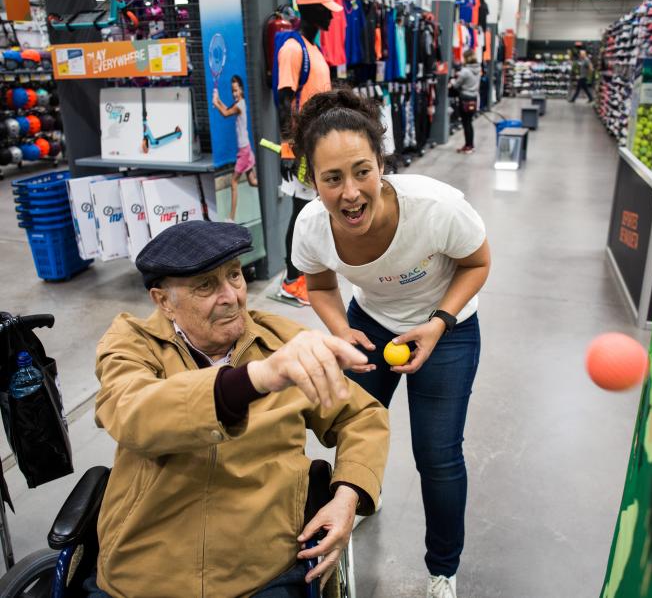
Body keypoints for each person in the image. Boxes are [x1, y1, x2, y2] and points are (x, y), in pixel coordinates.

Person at [89, 220, 389, 597]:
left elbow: (362, 415)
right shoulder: (133, 344)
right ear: (163, 301)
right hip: (146, 567)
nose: (230, 296)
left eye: (234, 276)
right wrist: (258, 378)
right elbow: (130, 410)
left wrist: (347, 497)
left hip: (261, 567)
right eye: (205, 286)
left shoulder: (284, 341)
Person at [290, 89, 491, 598]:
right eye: (332, 178)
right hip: (371, 325)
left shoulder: (436, 207)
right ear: (312, 181)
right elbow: (317, 285)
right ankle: (355, 503)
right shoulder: (312, 227)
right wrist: (340, 328)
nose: (351, 192)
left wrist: (439, 322)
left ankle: (442, 568)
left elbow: (477, 263)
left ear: (382, 162)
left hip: (448, 329)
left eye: (362, 171)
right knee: (356, 429)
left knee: (437, 456)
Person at [276, 0, 342, 305]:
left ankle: (304, 275)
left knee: (312, 212)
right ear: (310, 9)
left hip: (317, 146)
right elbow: (284, 101)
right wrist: (290, 147)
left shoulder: (313, 50)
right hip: (301, 149)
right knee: (299, 214)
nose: (331, 15)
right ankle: (290, 281)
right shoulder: (292, 49)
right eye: (326, 9)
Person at [213, 75, 258, 222]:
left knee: (233, 182)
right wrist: (218, 100)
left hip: (244, 151)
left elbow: (225, 113)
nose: (234, 94)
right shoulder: (239, 103)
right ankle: (271, 187)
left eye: (236, 90)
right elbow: (226, 108)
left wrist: (215, 102)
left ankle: (231, 218)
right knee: (252, 181)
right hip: (245, 149)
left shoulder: (240, 105)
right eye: (232, 91)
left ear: (242, 90)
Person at [451, 49, 481, 154]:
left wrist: (452, 81)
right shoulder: (478, 69)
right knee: (469, 122)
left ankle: (469, 146)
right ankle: (469, 144)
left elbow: (456, 85)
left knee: (466, 123)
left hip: (465, 99)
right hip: (474, 98)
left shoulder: (465, 71)